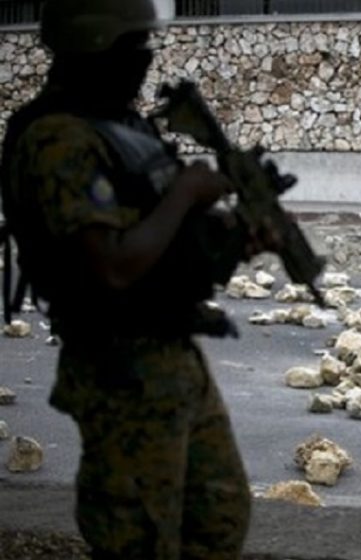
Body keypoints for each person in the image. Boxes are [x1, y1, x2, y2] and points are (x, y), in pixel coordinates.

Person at [0, 1, 260, 557]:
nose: (145, 59)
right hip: (119, 371)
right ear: (96, 47)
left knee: (217, 519)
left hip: (171, 354)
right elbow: (113, 265)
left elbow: (166, 241)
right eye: (134, 45)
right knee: (137, 540)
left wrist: (236, 234)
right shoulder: (57, 139)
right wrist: (186, 191)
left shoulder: (121, 128)